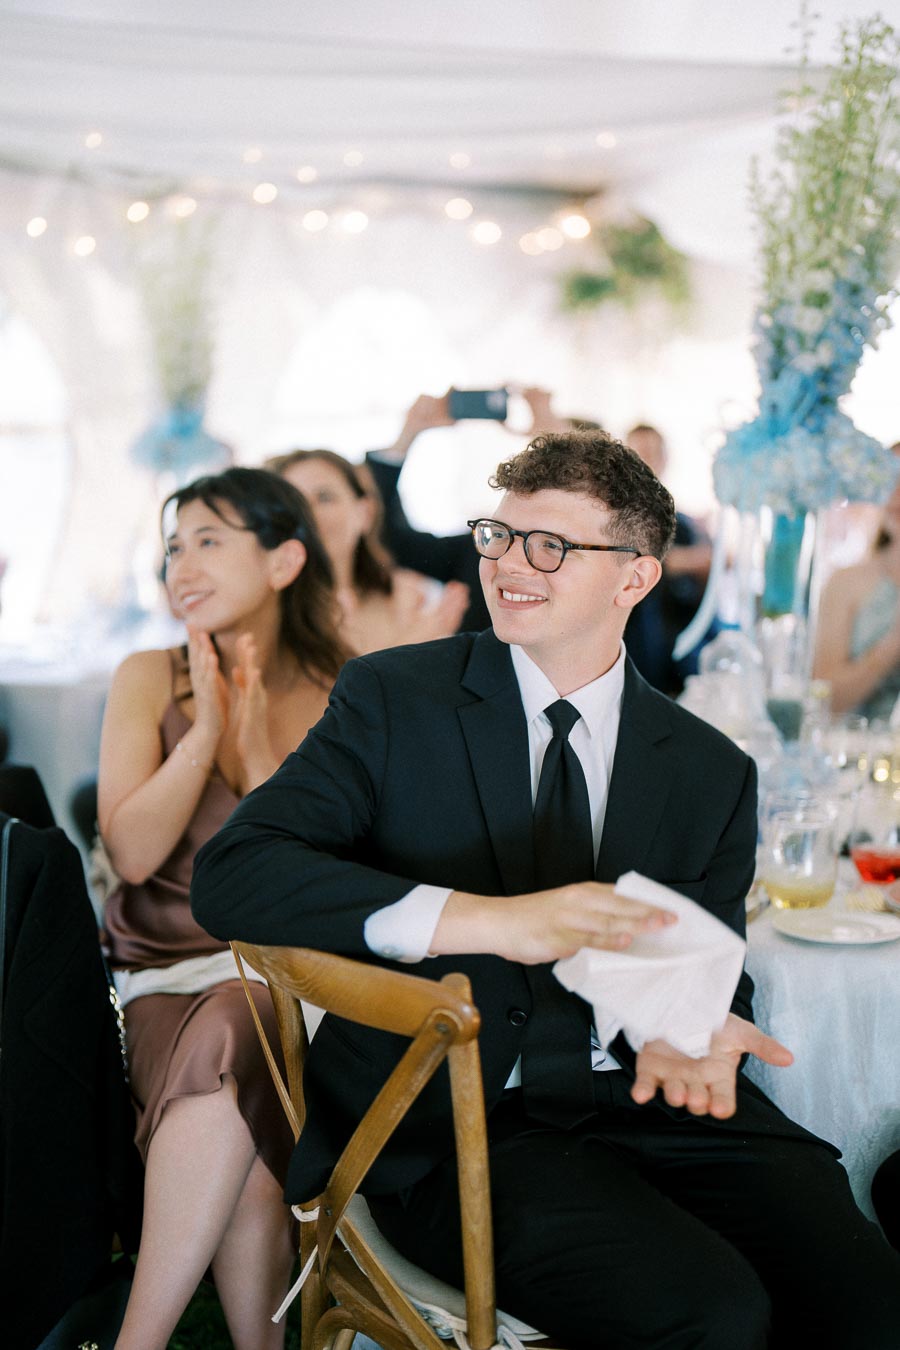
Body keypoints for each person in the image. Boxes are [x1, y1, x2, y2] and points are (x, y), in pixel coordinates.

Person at [192, 432, 900, 1349]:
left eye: (551, 547)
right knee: (715, 1315)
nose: (509, 566)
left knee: (870, 1301)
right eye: (499, 535)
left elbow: (703, 964)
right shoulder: (393, 699)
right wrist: (488, 922)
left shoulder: (709, 770)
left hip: (654, 1105)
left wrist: (694, 1030)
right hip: (460, 1122)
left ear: (636, 580)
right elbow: (235, 874)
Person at [99, 467, 350, 1350]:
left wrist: (248, 741)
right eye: (174, 546)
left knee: (247, 1035)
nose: (183, 564)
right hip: (162, 976)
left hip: (293, 973)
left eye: (210, 539)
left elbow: (309, 872)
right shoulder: (145, 676)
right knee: (242, 1068)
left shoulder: (338, 688)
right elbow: (130, 853)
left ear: (284, 561)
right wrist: (201, 733)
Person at [364, 388, 600, 632]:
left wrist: (558, 439)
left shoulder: (610, 555)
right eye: (543, 458)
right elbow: (390, 538)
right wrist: (408, 434)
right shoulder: (485, 547)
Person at [266, 447, 469, 653]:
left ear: (365, 513)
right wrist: (407, 646)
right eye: (295, 501)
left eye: (324, 497)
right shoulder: (270, 613)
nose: (308, 513)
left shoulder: (411, 598)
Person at [624, 423, 715, 696]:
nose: (645, 461)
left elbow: (709, 568)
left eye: (651, 453)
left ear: (664, 459)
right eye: (637, 453)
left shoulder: (682, 523)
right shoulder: (614, 516)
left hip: (675, 623)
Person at [813, 468, 900, 719]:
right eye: (891, 480)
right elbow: (824, 701)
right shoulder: (845, 582)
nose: (897, 494)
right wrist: (889, 648)